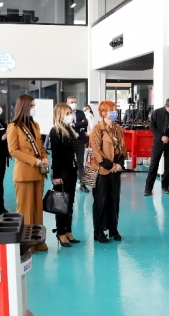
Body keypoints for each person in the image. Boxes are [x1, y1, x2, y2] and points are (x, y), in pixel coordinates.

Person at [7, 94, 49, 251]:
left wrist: (44, 158)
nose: (34, 108)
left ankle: (38, 241)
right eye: (31, 106)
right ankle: (26, 244)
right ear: (24, 107)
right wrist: (33, 161)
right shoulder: (13, 127)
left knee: (37, 209)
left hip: (38, 173)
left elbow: (40, 146)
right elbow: (13, 150)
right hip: (24, 174)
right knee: (25, 210)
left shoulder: (35, 125)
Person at [90, 101, 128, 243]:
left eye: (115, 110)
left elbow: (122, 148)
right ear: (103, 113)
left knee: (114, 201)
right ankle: (98, 231)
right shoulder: (97, 129)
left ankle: (113, 229)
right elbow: (96, 151)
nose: (115, 112)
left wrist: (119, 164)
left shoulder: (117, 129)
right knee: (100, 201)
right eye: (112, 110)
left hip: (115, 171)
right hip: (101, 171)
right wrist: (110, 165)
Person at [49, 103, 81, 247]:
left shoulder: (70, 129)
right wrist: (56, 176)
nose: (70, 115)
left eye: (70, 112)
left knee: (70, 202)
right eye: (67, 113)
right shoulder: (56, 131)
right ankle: (61, 232)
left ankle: (68, 230)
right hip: (62, 172)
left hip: (72, 170)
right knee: (61, 203)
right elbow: (55, 156)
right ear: (60, 114)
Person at [144, 98, 169, 196]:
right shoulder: (157, 113)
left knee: (168, 165)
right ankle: (148, 188)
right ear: (166, 106)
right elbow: (152, 126)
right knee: (153, 165)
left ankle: (165, 186)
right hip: (158, 142)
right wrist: (161, 136)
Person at [67, 96, 90, 193]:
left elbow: (85, 123)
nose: (74, 104)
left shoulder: (80, 113)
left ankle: (82, 184)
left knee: (81, 162)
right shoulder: (65, 113)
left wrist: (73, 124)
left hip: (80, 141)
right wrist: (79, 124)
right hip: (68, 141)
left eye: (75, 102)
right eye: (72, 102)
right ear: (67, 103)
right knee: (68, 162)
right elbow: (66, 125)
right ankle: (68, 182)